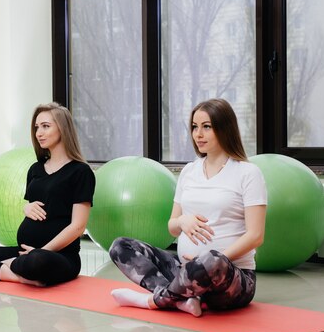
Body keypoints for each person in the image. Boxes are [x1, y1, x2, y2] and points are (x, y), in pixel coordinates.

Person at [109, 98, 267, 317]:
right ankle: (183, 299)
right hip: (184, 271)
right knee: (120, 246)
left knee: (211, 258)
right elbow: (172, 227)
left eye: (206, 127)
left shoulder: (248, 174)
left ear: (224, 128)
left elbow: (256, 236)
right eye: (194, 127)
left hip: (230, 279)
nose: (198, 134)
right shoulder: (189, 172)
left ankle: (152, 300)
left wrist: (209, 262)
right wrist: (182, 221)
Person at [0, 102, 95, 286]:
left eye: (45, 126)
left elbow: (78, 226)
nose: (39, 133)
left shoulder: (81, 172)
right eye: (36, 127)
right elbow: (36, 205)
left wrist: (40, 251)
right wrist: (26, 207)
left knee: (36, 261)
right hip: (23, 251)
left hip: (57, 255)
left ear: (63, 129)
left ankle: (8, 268)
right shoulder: (35, 169)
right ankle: (18, 276)